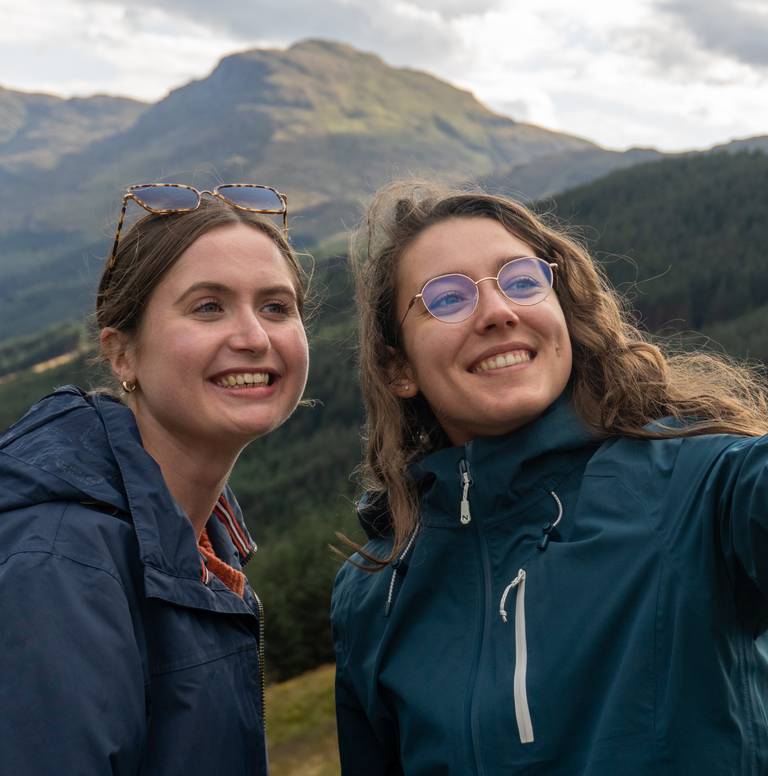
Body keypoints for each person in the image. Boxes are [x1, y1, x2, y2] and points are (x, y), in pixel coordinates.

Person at [331, 181, 768, 775]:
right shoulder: (373, 594)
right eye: (448, 297)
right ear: (398, 367)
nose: (498, 312)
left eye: (521, 281)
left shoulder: (702, 485)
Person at [0, 183, 309, 775]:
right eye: (208, 307)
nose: (254, 337)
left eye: (276, 306)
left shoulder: (201, 541)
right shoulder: (61, 563)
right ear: (122, 354)